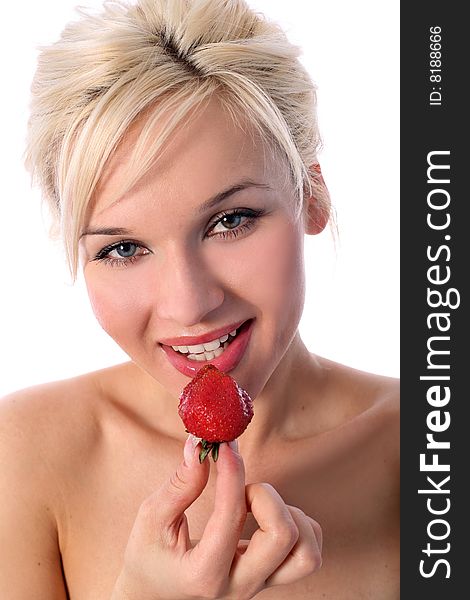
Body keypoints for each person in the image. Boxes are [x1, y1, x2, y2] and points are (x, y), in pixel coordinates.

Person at [0, 0, 399, 598]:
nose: (189, 305)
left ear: (312, 195)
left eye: (231, 220)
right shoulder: (22, 454)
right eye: (123, 250)